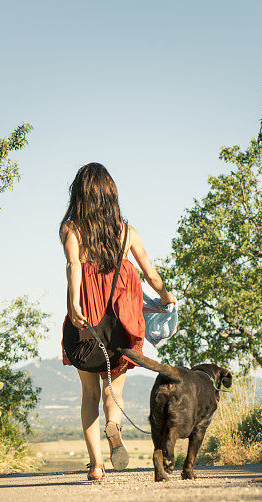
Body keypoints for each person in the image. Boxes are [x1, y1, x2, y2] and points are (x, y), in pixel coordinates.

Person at [60, 162, 176, 481]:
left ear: (79, 194)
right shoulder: (127, 232)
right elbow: (151, 274)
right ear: (111, 195)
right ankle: (115, 425)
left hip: (84, 324)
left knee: (88, 395)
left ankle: (96, 465)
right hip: (121, 328)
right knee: (113, 390)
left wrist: (73, 304)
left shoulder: (71, 229)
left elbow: (73, 265)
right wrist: (167, 296)